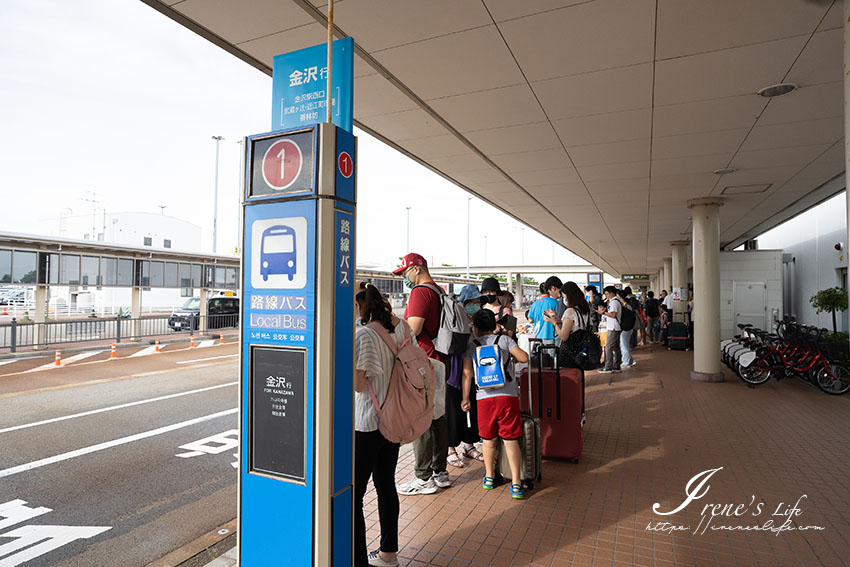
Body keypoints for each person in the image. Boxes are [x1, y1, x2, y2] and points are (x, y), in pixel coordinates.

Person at [354, 284, 411, 567]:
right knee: (386, 485)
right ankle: (389, 554)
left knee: (355, 495)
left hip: (368, 423)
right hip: (396, 416)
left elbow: (357, 384)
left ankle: (357, 560)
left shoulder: (364, 335)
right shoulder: (402, 328)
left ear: (359, 307)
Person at [392, 253, 450, 495]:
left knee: (420, 418)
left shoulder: (420, 292)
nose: (405, 277)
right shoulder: (438, 290)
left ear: (416, 269)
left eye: (405, 272)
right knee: (437, 416)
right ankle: (440, 471)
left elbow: (413, 329)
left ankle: (423, 477)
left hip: (422, 361)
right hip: (438, 360)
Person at [461, 309, 530, 499]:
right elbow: (524, 358)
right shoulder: (504, 340)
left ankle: (489, 477)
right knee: (510, 439)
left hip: (484, 399)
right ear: (495, 325)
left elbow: (467, 374)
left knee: (488, 439)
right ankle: (516, 483)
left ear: (475, 327)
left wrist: (465, 398)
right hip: (507, 396)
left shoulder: (472, 345)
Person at [446, 284, 485, 468]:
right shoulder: (455, 315)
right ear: (465, 301)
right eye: (473, 301)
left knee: (471, 409)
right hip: (455, 371)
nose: (476, 305)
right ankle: (451, 449)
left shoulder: (476, 319)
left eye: (478, 302)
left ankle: (469, 445)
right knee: (453, 411)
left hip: (473, 371)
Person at [527, 276, 562, 344]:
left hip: (537, 336)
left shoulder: (534, 304)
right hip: (552, 336)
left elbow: (530, 320)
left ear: (540, 291)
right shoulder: (556, 302)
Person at [597, 286, 622, 374]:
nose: (606, 296)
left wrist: (603, 312)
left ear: (611, 293)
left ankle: (608, 366)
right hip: (615, 327)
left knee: (608, 346)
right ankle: (617, 365)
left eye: (607, 294)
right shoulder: (614, 301)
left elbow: (613, 315)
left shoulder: (614, 302)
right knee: (615, 347)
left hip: (614, 327)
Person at [618, 289, 636, 368]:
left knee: (624, 345)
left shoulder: (625, 306)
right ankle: (631, 360)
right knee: (625, 345)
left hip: (625, 328)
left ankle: (626, 362)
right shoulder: (627, 305)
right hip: (628, 328)